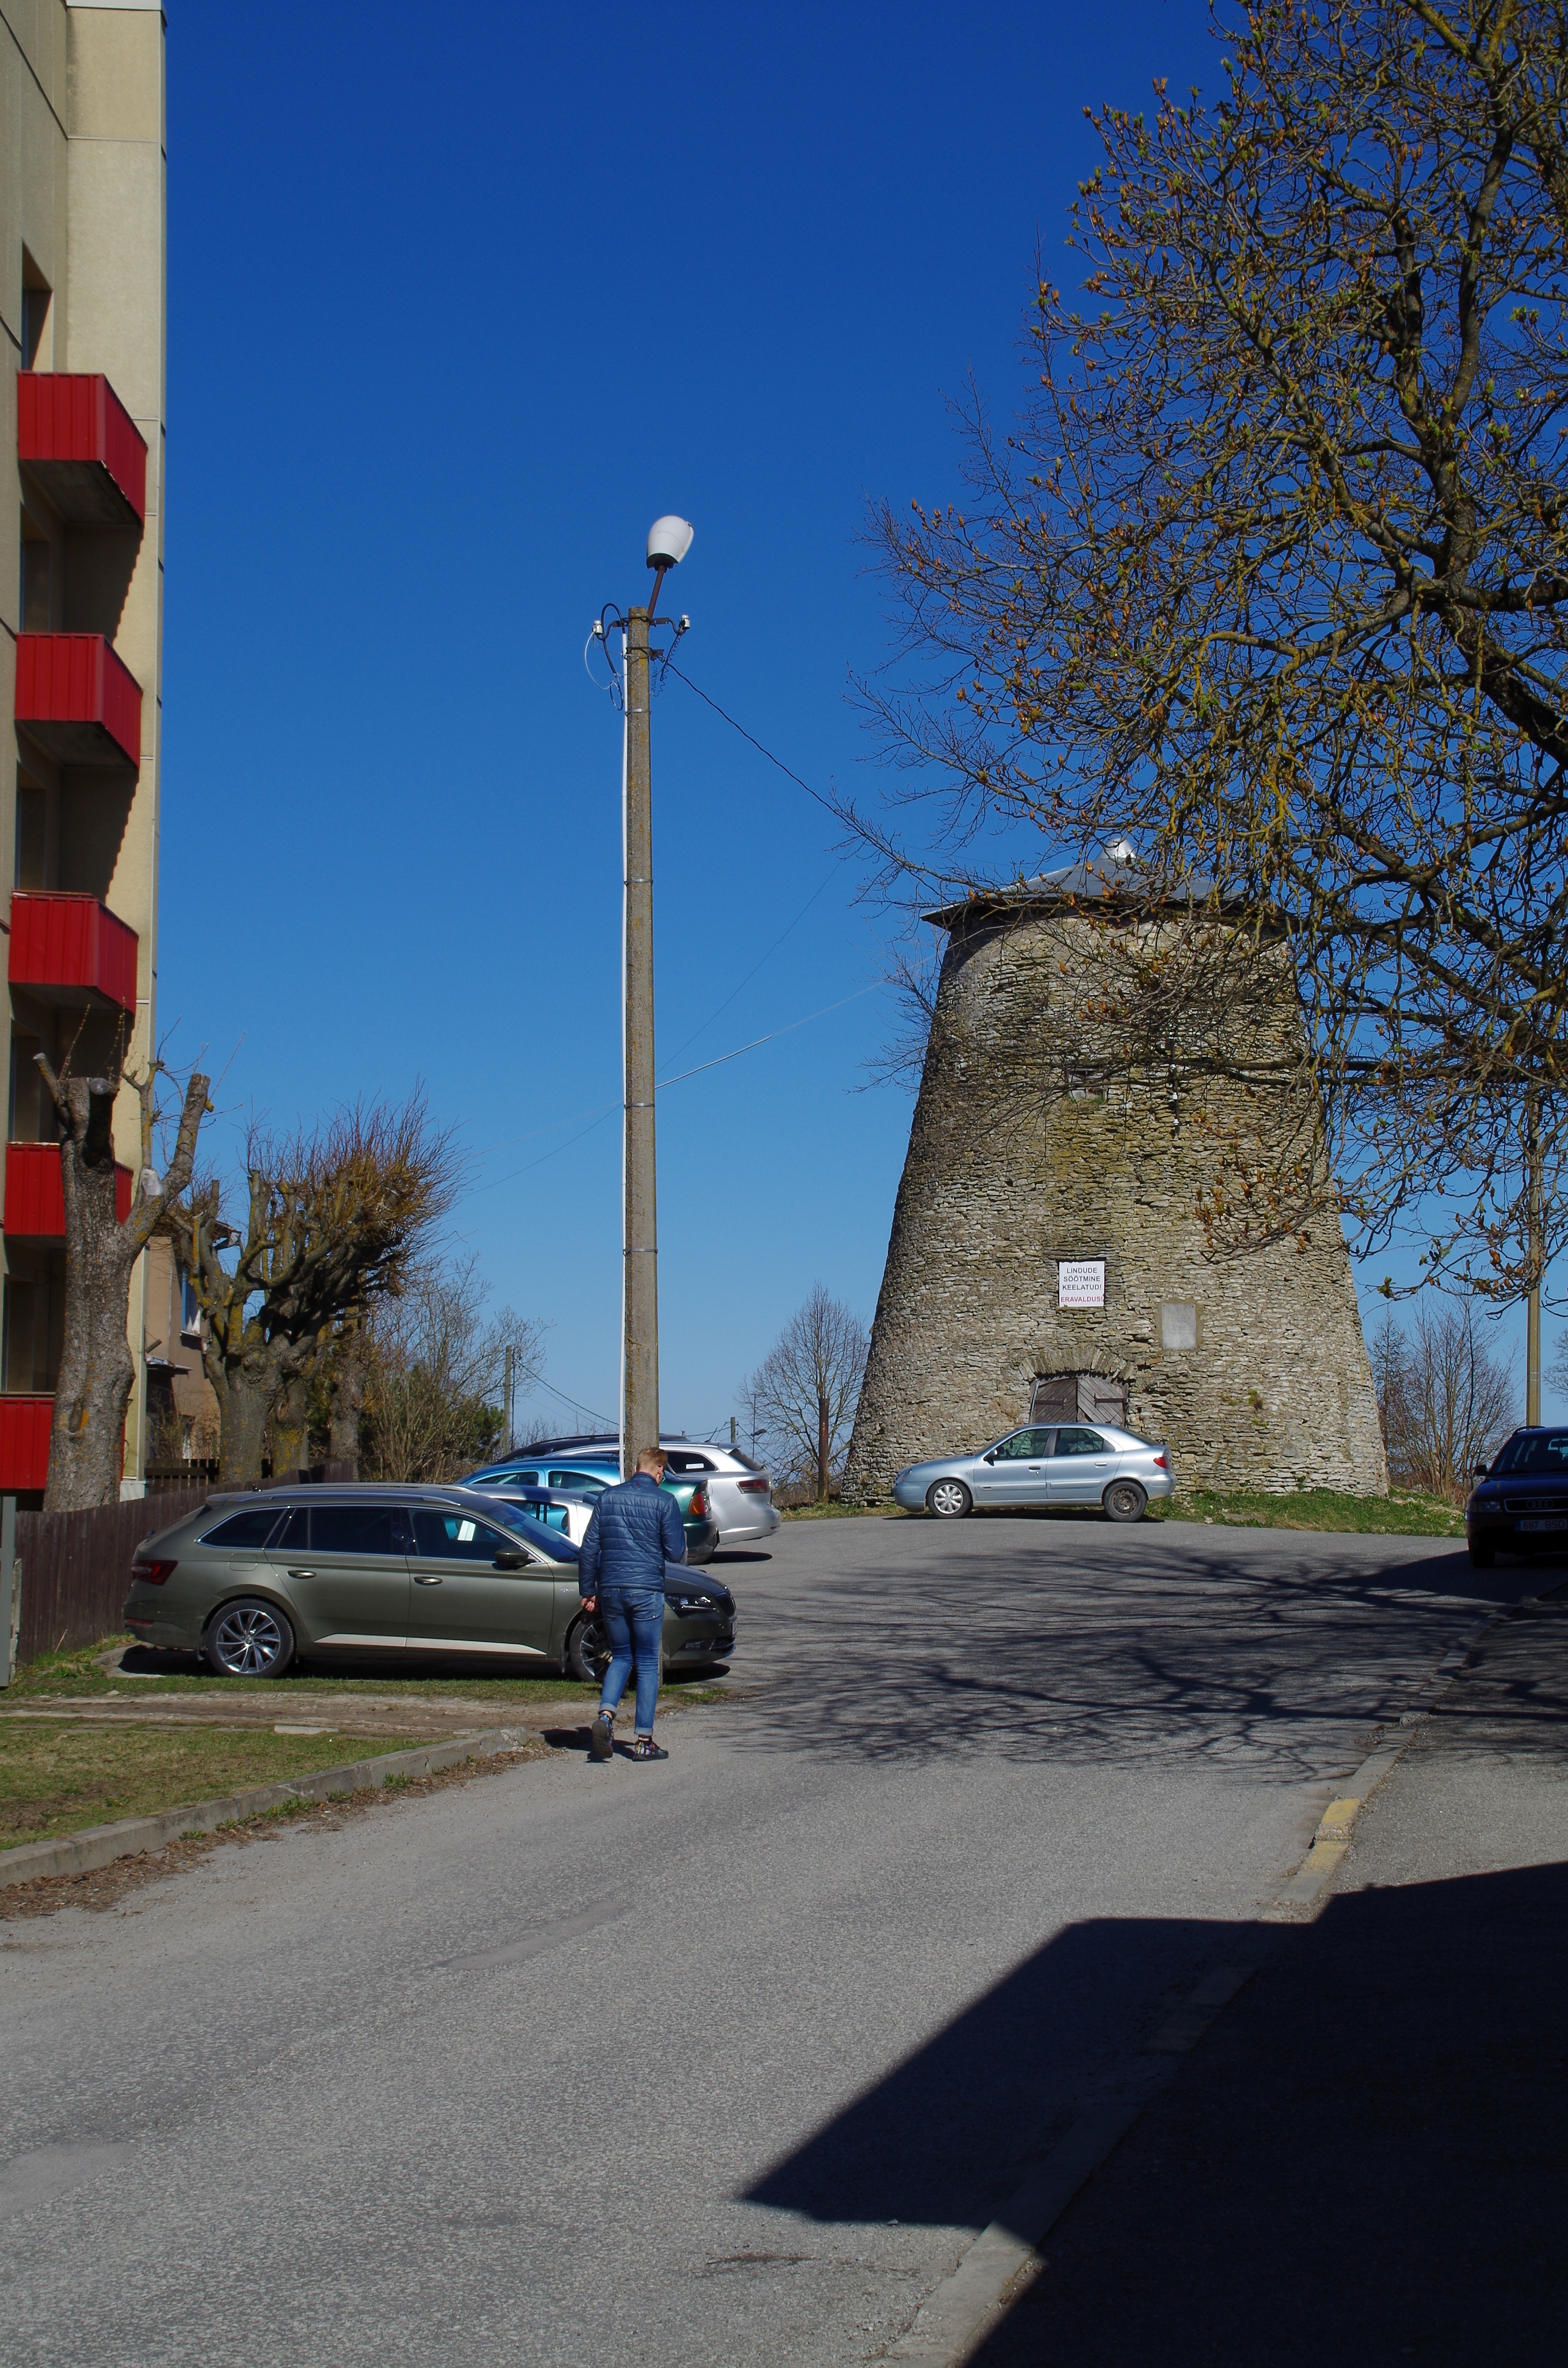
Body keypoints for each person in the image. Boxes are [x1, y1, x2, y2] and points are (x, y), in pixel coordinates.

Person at [578, 1445, 686, 1762]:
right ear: (660, 1472)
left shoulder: (607, 1498)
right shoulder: (664, 1501)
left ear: (636, 1467)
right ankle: (643, 1741)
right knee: (648, 1663)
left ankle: (606, 1718)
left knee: (621, 1657)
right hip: (646, 1590)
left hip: (611, 1589)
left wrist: (588, 1591)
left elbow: (588, 1550)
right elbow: (676, 1552)